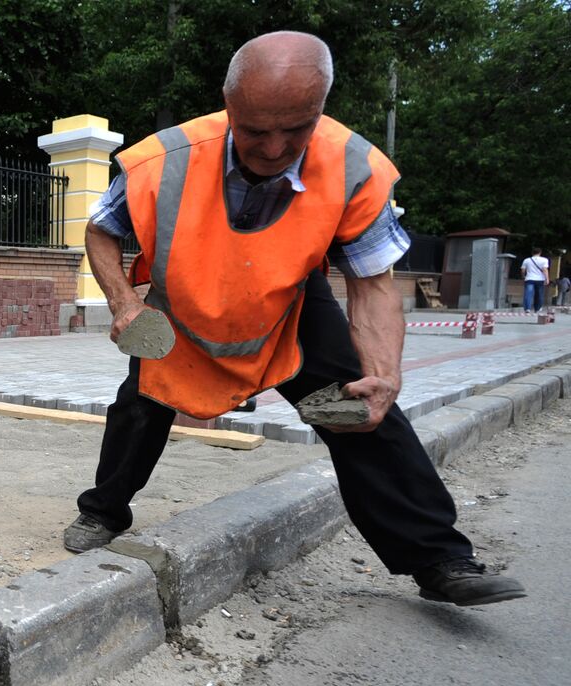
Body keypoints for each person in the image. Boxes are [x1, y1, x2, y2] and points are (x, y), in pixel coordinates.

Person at [64, 31, 525, 607]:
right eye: (255, 130)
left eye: (297, 128)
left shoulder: (354, 166)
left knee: (362, 406)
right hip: (184, 296)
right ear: (229, 106)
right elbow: (102, 229)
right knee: (143, 403)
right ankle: (103, 512)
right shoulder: (165, 158)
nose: (275, 147)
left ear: (321, 109)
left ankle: (439, 558)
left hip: (292, 301)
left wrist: (384, 372)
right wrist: (125, 303)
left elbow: (373, 282)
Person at [520, 247, 550, 312]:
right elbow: (545, 270)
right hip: (540, 280)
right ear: (540, 253)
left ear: (532, 253)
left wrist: (523, 277)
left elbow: (523, 270)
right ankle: (537, 308)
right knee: (539, 294)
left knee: (528, 294)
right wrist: (547, 278)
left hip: (529, 279)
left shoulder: (526, 260)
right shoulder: (544, 260)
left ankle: (527, 308)